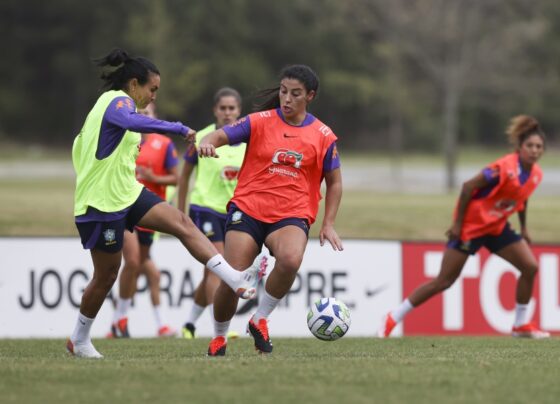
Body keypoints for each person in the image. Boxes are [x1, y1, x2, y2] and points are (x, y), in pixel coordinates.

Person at [68, 48, 260, 359]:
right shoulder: (117, 102)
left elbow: (81, 147)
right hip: (101, 203)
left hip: (127, 193)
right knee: (106, 276)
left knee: (182, 223)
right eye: (152, 89)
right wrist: (178, 128)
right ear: (134, 84)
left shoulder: (107, 108)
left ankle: (232, 275)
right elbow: (131, 122)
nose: (153, 96)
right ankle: (79, 339)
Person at [197, 65, 344, 356]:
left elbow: (335, 183)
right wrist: (206, 142)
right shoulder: (259, 121)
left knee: (290, 260)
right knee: (233, 274)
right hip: (249, 207)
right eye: (283, 91)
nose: (286, 99)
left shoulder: (323, 135)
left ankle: (259, 318)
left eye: (295, 94)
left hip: (292, 212)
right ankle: (219, 337)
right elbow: (220, 136)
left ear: (310, 96)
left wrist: (328, 223)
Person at [378, 115, 549, 339]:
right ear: (519, 147)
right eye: (530, 145)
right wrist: (457, 224)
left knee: (530, 267)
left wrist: (523, 228)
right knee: (444, 281)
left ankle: (520, 325)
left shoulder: (536, 174)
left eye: (539, 147)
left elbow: (521, 198)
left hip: (497, 226)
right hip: (471, 227)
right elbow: (468, 187)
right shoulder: (503, 168)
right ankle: (393, 317)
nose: (534, 150)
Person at [177, 87, 248, 339]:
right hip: (203, 208)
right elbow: (183, 176)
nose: (227, 113)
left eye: (232, 108)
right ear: (215, 110)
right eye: (223, 108)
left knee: (212, 270)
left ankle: (189, 324)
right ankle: (220, 329)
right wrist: (180, 214)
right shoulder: (202, 138)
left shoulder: (247, 141)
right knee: (218, 268)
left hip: (232, 213)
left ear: (239, 111)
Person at [108, 102, 178, 338]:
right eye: (139, 114)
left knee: (145, 268)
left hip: (151, 213)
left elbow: (176, 178)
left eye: (148, 114)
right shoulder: (125, 140)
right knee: (133, 260)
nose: (143, 118)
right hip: (125, 208)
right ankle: (122, 320)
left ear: (155, 117)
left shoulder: (164, 144)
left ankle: (126, 322)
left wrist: (153, 177)